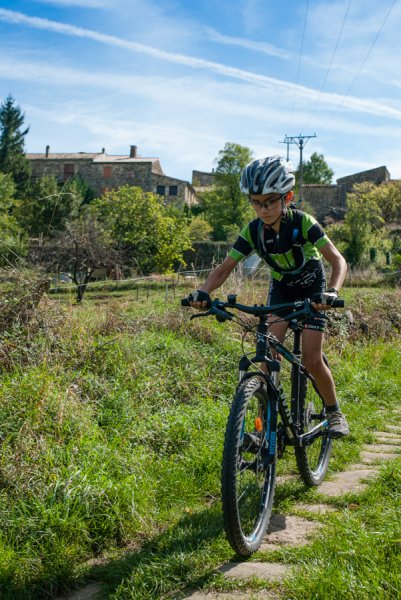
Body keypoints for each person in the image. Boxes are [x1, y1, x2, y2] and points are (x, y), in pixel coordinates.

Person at [187, 155, 349, 438]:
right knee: (266, 356)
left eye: (270, 201)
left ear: (286, 197)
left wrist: (331, 293)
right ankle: (265, 427)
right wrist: (203, 292)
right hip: (282, 288)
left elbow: (338, 261)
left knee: (311, 358)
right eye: (256, 202)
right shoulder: (253, 231)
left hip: (313, 288)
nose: (262, 209)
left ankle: (334, 412)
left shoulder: (303, 223)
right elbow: (225, 267)